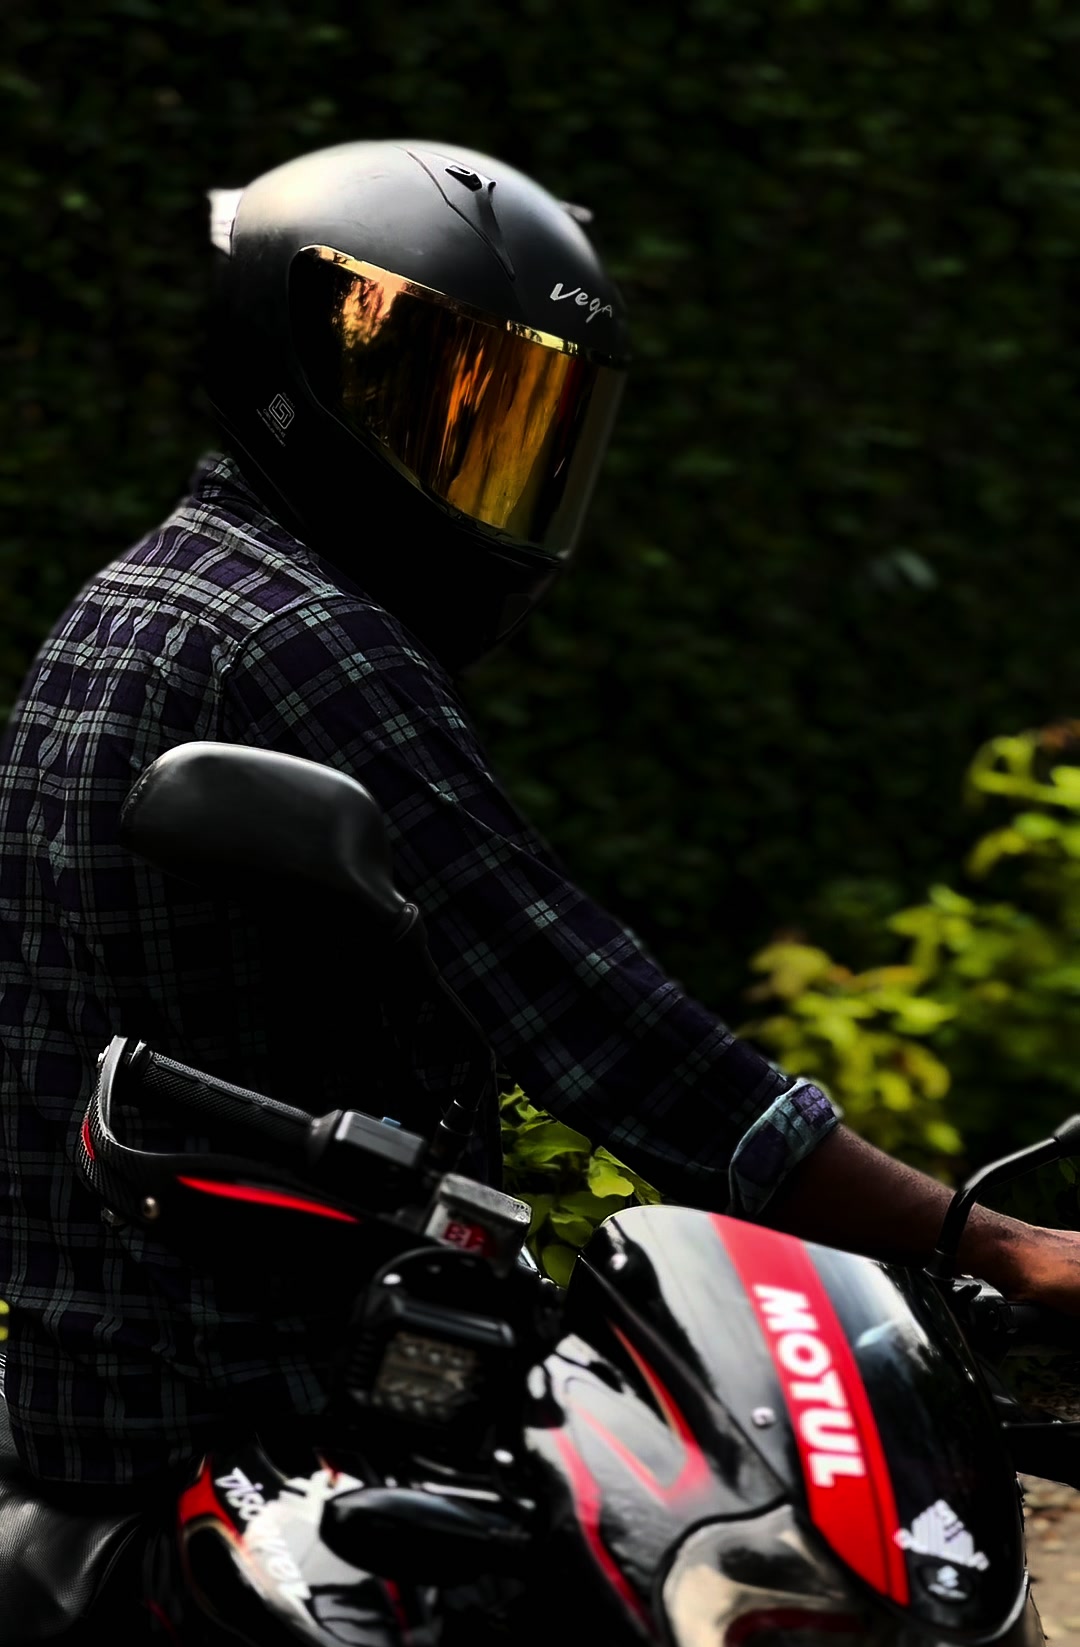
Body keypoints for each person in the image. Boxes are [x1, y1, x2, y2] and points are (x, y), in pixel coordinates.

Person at [1, 137, 1078, 1497]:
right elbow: (592, 1022)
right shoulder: (300, 642)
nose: (476, 473)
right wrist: (997, 1247)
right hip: (269, 1411)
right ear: (289, 373)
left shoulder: (141, 599)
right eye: (428, 408)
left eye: (513, 428)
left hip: (104, 1376)